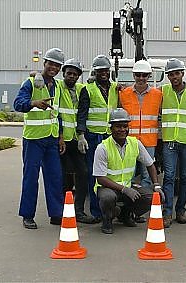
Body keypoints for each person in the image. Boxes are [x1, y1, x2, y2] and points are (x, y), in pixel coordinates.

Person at [13, 48, 65, 229]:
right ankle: (27, 215)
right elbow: (17, 104)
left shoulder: (58, 86)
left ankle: (56, 214)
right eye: (51, 64)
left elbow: (56, 113)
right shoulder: (30, 83)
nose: (54, 68)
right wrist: (33, 103)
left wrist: (60, 137)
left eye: (57, 65)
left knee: (55, 177)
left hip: (51, 139)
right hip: (34, 139)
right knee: (30, 177)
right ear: (44, 63)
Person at [93, 108, 165, 234]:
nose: (122, 129)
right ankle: (107, 219)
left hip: (128, 186)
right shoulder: (102, 147)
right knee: (108, 198)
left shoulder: (135, 143)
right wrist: (124, 189)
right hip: (107, 188)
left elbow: (150, 164)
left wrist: (156, 185)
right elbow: (100, 178)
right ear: (111, 128)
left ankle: (125, 214)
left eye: (125, 126)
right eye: (118, 126)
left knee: (153, 197)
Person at [76, 55, 119, 224]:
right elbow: (82, 112)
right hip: (93, 137)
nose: (103, 73)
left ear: (109, 71)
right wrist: (81, 134)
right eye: (100, 70)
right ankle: (96, 211)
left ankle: (110, 207)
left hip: (110, 136)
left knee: (110, 173)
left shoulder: (115, 88)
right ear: (95, 71)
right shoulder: (88, 88)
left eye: (105, 70)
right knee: (94, 175)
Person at [160, 58, 186, 228]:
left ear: (182, 74)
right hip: (169, 141)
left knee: (185, 178)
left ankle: (180, 211)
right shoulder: (163, 91)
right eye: (171, 74)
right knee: (168, 177)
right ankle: (167, 213)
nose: (174, 77)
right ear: (167, 76)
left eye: (177, 73)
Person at [58, 58, 96, 224]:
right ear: (64, 74)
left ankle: (79, 211)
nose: (71, 76)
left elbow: (82, 113)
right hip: (62, 141)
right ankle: (62, 211)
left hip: (77, 139)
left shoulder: (81, 89)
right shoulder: (58, 86)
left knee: (83, 173)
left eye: (74, 74)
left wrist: (81, 134)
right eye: (69, 73)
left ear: (79, 76)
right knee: (64, 176)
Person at [118, 60, 162, 189]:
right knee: (128, 174)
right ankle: (129, 203)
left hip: (149, 142)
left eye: (144, 75)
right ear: (133, 76)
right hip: (129, 141)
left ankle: (144, 204)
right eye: (138, 75)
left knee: (147, 175)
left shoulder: (158, 95)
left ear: (149, 76)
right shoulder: (123, 94)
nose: (141, 78)